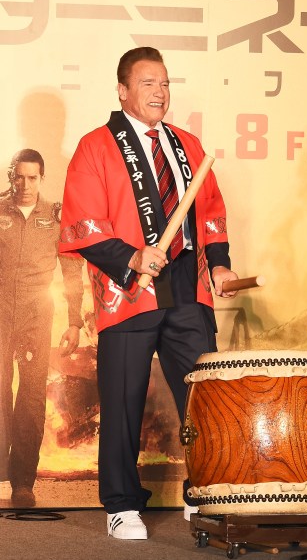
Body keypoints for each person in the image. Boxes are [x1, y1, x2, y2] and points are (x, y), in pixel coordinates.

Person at [59, 46, 238, 540]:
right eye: (147, 84)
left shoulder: (188, 145)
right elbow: (83, 221)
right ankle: (121, 503)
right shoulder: (96, 146)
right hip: (131, 290)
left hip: (186, 287)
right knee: (122, 398)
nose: (159, 92)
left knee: (204, 399)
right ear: (123, 91)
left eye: (164, 83)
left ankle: (206, 493)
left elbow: (212, 210)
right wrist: (133, 258)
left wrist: (219, 265)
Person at [0, 148, 84, 507]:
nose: (25, 184)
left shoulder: (55, 214)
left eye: (32, 177)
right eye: (19, 176)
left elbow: (71, 270)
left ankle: (23, 483)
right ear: (11, 177)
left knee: (31, 397)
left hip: (38, 311)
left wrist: (75, 320)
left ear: (42, 178)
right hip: (1, 309)